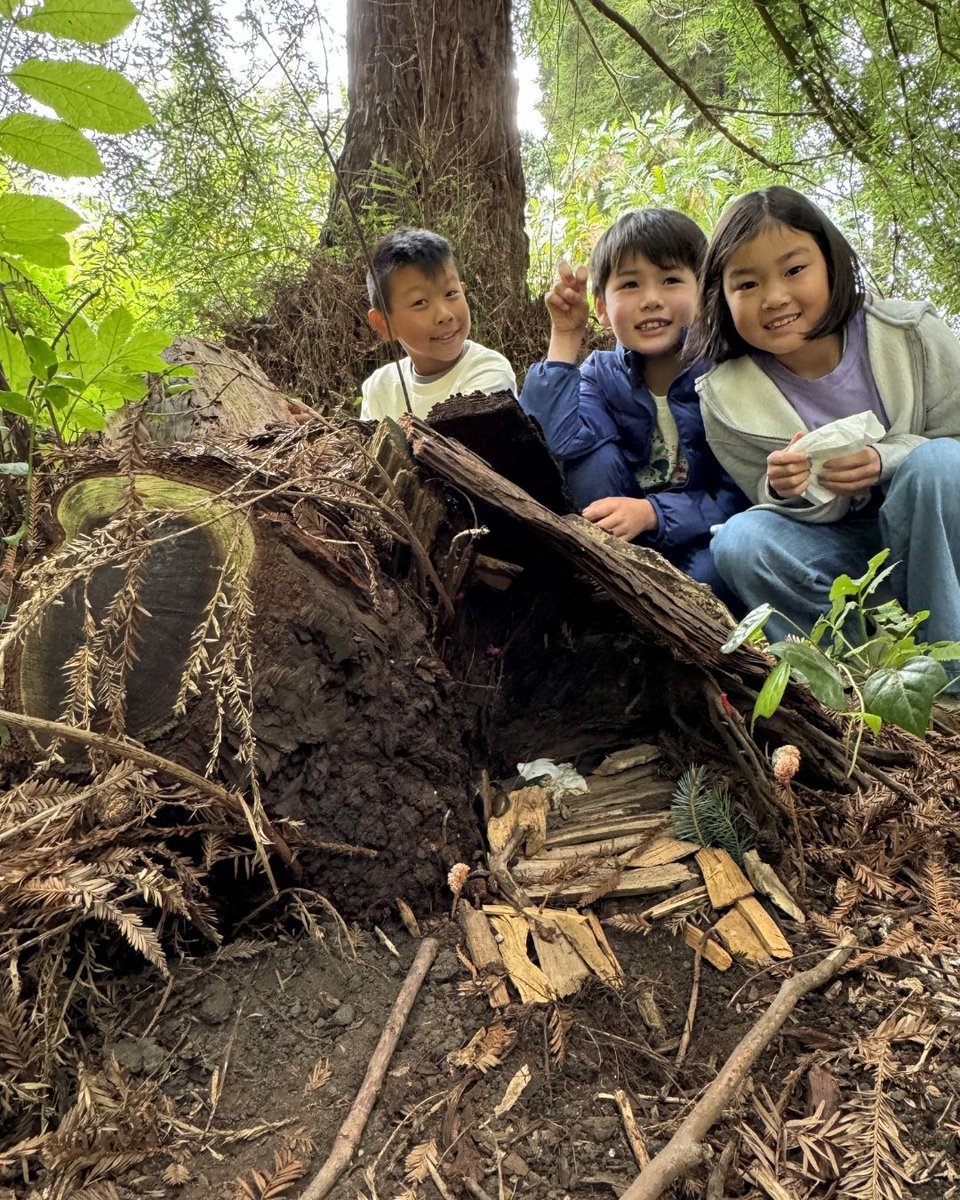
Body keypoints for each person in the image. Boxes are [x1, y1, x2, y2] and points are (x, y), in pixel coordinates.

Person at [688, 185, 960, 679]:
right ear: (721, 299)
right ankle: (855, 686)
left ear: (832, 264)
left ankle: (949, 675)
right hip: (842, 553)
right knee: (739, 539)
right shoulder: (724, 397)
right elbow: (763, 501)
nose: (775, 298)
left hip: (939, 543)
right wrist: (782, 489)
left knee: (937, 464)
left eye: (794, 270)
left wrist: (889, 458)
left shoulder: (911, 333)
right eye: (746, 284)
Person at [519, 209, 747, 605]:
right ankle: (614, 585)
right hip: (621, 541)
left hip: (701, 536)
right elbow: (555, 443)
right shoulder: (599, 374)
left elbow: (737, 493)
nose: (651, 300)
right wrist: (565, 337)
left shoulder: (728, 374)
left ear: (704, 293)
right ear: (602, 309)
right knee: (590, 455)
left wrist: (654, 512)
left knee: (715, 577)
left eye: (671, 280)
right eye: (630, 285)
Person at [360, 228, 516, 421]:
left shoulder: (487, 371)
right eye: (419, 302)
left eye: (451, 293)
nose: (444, 314)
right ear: (384, 324)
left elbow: (461, 449)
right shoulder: (379, 388)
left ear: (463, 291)